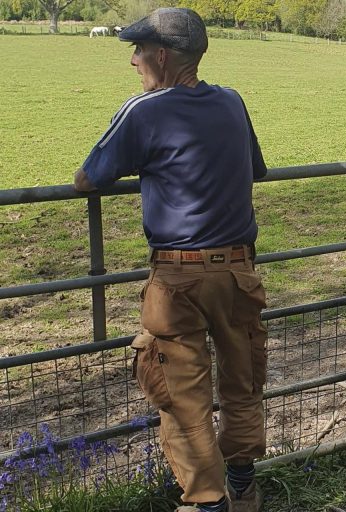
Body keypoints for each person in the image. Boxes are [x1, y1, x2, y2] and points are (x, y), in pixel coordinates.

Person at [73, 8, 268, 512]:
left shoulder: (145, 111)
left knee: (184, 399)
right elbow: (256, 167)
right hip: (238, 272)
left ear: (162, 56)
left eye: (138, 52)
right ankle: (244, 487)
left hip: (177, 278)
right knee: (242, 382)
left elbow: (88, 178)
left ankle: (206, 502)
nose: (133, 62)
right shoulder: (232, 101)